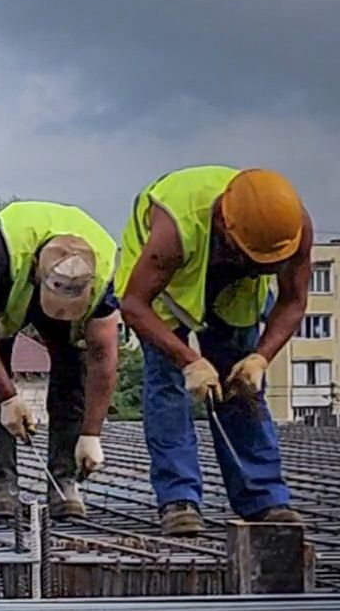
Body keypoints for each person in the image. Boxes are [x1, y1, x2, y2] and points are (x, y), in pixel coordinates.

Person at [114, 167, 310, 536]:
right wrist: (188, 360)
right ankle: (179, 499)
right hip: (162, 291)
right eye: (253, 257)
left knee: (241, 388)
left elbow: (294, 301)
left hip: (234, 292)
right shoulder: (175, 228)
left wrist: (260, 358)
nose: (262, 266)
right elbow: (135, 305)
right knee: (168, 387)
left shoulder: (290, 229)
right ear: (224, 225)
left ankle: (264, 499)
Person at [0, 201, 121, 522]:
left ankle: (64, 481)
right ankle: (3, 485)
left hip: (66, 290)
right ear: (36, 267)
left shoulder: (101, 270)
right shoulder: (3, 255)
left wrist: (92, 434)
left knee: (74, 372)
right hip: (5, 296)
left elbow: (103, 357)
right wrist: (9, 397)